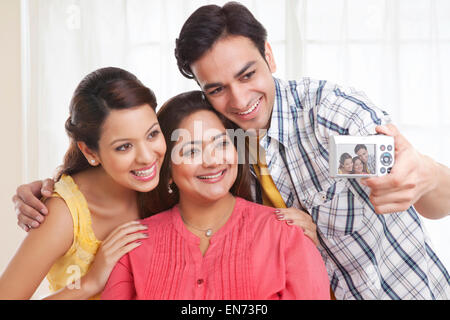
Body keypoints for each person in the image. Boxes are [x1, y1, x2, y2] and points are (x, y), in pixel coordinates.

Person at [12, 2, 450, 299]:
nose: (239, 100)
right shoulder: (233, 149)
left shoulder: (328, 120)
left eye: (248, 74)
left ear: (270, 56)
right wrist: (55, 189)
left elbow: (429, 196)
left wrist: (427, 175)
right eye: (217, 88)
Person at [101, 91, 330, 300]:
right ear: (167, 170)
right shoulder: (134, 245)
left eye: (221, 144)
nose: (211, 161)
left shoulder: (285, 234)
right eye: (191, 151)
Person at [0, 67, 166, 299]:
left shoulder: (169, 184)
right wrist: (89, 283)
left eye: (152, 134)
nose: (147, 157)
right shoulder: (65, 214)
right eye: (124, 147)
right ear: (90, 151)